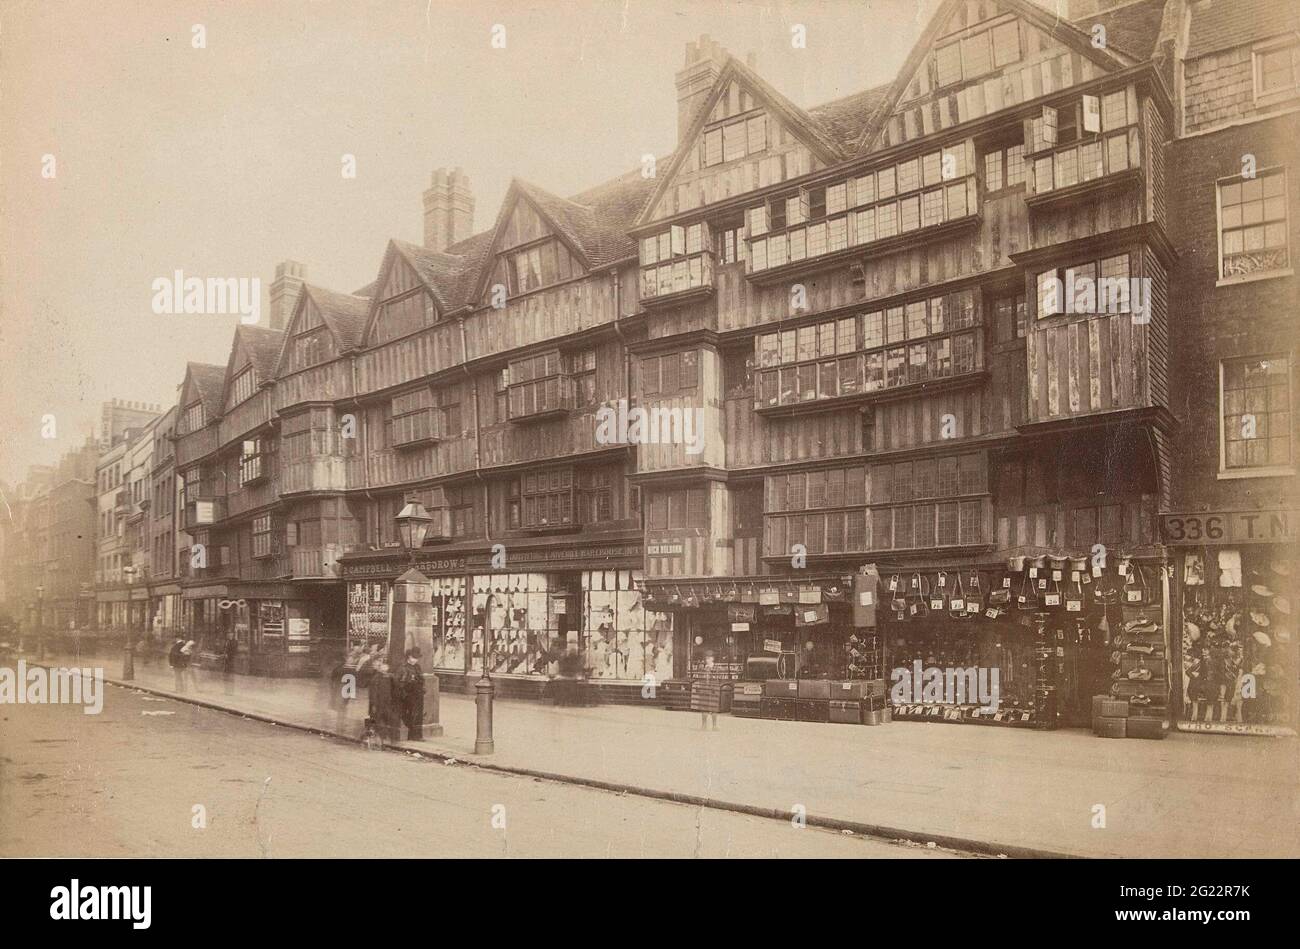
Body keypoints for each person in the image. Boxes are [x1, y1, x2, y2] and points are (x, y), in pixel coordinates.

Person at [393, 647, 426, 741]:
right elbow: (396, 681)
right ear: (409, 657)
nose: (415, 660)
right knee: (411, 714)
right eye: (414, 657)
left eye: (417, 658)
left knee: (418, 714)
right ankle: (412, 735)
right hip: (408, 694)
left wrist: (421, 685)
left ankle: (417, 735)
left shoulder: (417, 667)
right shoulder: (402, 667)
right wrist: (404, 689)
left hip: (418, 693)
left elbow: (421, 679)